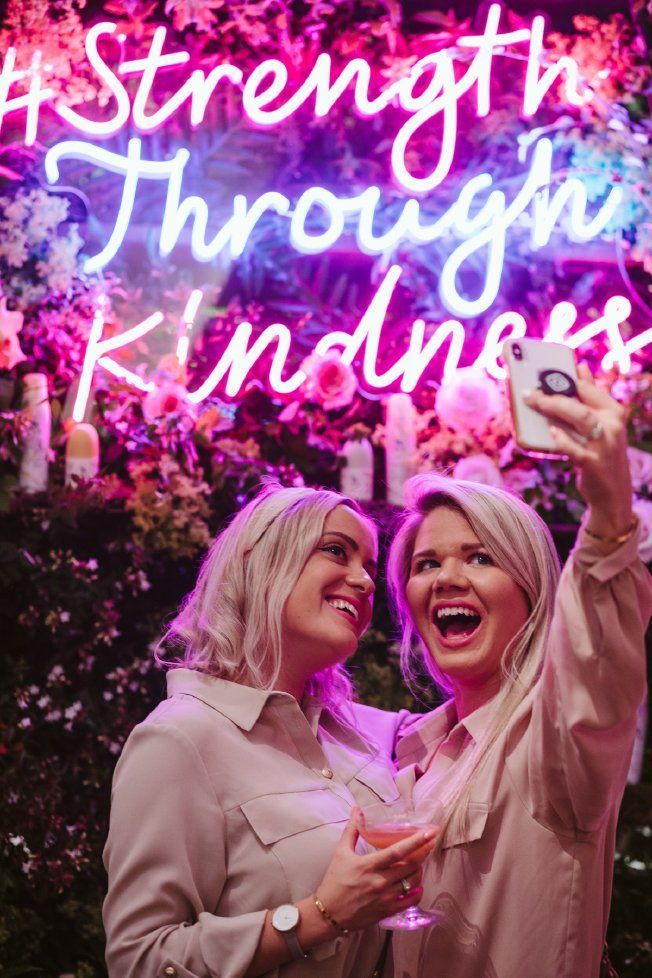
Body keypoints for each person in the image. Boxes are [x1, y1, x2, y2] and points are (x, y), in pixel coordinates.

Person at [103, 484, 436, 978]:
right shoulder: (178, 741)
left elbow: (474, 720)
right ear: (260, 562)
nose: (364, 581)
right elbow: (140, 960)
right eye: (336, 551)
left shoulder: (352, 730)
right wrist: (319, 916)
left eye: (368, 564)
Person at [386, 367, 652, 978]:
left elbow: (594, 671)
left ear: (532, 593)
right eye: (428, 563)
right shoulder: (404, 747)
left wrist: (610, 517)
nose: (448, 577)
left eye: (479, 558)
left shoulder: (551, 745)